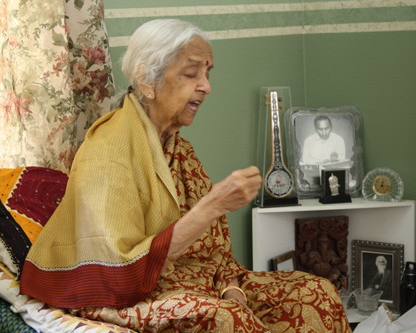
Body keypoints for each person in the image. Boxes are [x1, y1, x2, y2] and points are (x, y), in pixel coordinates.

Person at [20, 19, 351, 332]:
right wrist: (212, 205)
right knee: (226, 320)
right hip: (124, 294)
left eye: (206, 74)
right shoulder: (109, 149)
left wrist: (232, 290)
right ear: (147, 80)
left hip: (200, 282)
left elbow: (216, 252)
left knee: (316, 290)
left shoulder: (180, 148)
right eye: (191, 74)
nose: (206, 87)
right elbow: (119, 270)